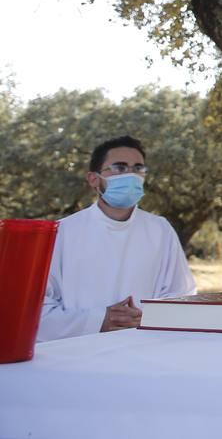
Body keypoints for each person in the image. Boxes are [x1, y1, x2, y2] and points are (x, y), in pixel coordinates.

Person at [38, 136, 195, 341]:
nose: (131, 175)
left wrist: (144, 318)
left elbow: (182, 295)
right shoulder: (62, 232)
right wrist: (97, 321)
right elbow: (38, 307)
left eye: (138, 168)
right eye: (120, 168)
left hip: (144, 349)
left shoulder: (160, 230)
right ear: (93, 179)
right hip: (75, 352)